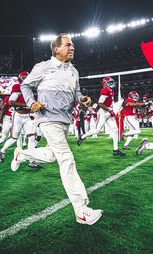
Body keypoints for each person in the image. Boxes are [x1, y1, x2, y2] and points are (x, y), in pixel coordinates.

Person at [10, 33, 103, 225]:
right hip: (47, 118)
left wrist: (82, 99)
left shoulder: (74, 71)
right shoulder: (43, 67)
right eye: (68, 45)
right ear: (56, 49)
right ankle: (81, 210)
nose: (72, 48)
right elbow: (25, 85)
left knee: (53, 155)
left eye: (73, 45)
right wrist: (31, 102)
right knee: (66, 159)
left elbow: (76, 93)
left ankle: (22, 155)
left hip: (65, 120)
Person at [78, 77, 125, 156]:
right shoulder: (105, 90)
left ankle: (116, 150)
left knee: (115, 129)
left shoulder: (110, 90)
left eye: (111, 82)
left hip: (108, 111)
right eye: (109, 83)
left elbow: (109, 102)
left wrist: (111, 109)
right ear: (105, 84)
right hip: (103, 112)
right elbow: (100, 103)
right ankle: (82, 136)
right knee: (97, 130)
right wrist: (109, 110)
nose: (111, 84)